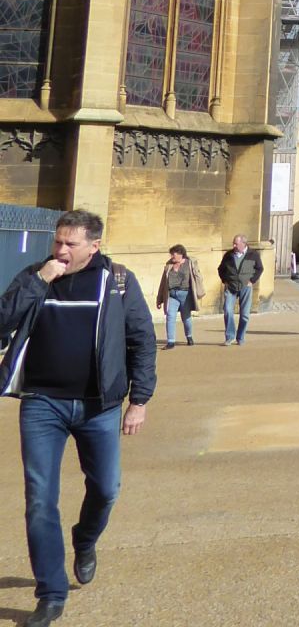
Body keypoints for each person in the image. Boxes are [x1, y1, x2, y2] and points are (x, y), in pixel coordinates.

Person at [0, 209, 156, 626]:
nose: (61, 250)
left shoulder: (118, 281)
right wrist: (39, 281)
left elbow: (141, 339)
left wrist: (139, 400)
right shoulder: (36, 275)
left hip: (97, 406)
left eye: (71, 243)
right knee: (39, 499)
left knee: (106, 488)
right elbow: (2, 321)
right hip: (41, 403)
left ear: (94, 246)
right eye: (58, 242)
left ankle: (84, 540)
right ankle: (50, 593)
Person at [154, 245, 203, 349]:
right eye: (171, 254)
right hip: (171, 295)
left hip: (185, 295)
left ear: (180, 254)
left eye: (173, 254)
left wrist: (199, 291)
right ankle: (171, 342)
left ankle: (189, 336)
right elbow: (163, 283)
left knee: (186, 319)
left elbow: (198, 278)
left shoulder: (190, 263)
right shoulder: (168, 266)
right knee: (170, 316)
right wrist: (159, 299)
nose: (171, 256)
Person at [217, 234, 263, 345]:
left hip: (245, 287)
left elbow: (260, 268)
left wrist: (252, 280)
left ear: (243, 244)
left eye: (236, 244)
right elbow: (220, 269)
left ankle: (240, 337)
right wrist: (225, 281)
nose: (233, 245)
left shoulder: (253, 254)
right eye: (233, 243)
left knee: (245, 314)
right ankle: (230, 336)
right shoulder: (228, 255)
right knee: (228, 311)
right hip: (231, 287)